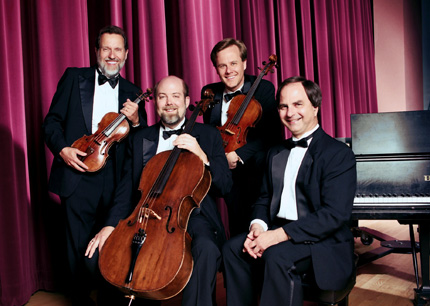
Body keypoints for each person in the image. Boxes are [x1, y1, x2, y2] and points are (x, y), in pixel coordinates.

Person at [86, 75, 233, 306]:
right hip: (145, 215)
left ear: (186, 101)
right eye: (163, 97)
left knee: (206, 249)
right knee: (102, 255)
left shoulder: (208, 135)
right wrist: (109, 226)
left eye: (175, 96)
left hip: (194, 215)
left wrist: (202, 156)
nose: (169, 102)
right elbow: (125, 190)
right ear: (155, 103)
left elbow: (225, 185)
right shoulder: (140, 139)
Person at [222, 76, 357, 306]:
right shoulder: (275, 152)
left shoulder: (338, 154)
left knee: (277, 256)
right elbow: (264, 198)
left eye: (298, 104)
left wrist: (276, 236)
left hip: (321, 241)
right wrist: (258, 227)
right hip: (278, 232)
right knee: (232, 249)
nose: (290, 112)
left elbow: (333, 215)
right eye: (284, 106)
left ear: (315, 107)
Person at [43, 25, 147, 305]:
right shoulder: (74, 77)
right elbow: (51, 122)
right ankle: (79, 300)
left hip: (115, 181)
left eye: (117, 49)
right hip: (76, 172)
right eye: (106, 49)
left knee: (110, 245)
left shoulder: (133, 92)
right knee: (76, 248)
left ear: (126, 54)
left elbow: (142, 145)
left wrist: (136, 122)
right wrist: (63, 149)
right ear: (97, 51)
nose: (111, 55)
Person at [201, 38, 283, 236]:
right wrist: (220, 158)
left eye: (233, 63)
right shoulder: (209, 92)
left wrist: (237, 155)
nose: (229, 70)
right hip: (223, 167)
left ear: (244, 63)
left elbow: (271, 135)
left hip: (253, 166)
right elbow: (211, 134)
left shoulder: (263, 89)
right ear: (216, 68)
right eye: (222, 65)